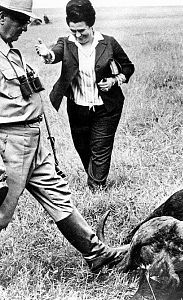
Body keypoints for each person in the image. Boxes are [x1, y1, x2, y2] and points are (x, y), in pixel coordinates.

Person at [0, 0, 127, 274]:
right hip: (8, 149)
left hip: (33, 143)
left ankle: (97, 254)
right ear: (1, 17)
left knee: (59, 198)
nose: (25, 26)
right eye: (20, 20)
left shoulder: (10, 53)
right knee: (1, 212)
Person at [35, 0, 135, 191]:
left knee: (100, 148)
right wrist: (47, 55)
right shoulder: (66, 43)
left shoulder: (109, 42)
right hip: (77, 108)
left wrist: (115, 80)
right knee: (83, 148)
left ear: (91, 25)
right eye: (74, 31)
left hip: (106, 107)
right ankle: (95, 177)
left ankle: (96, 189)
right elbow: (54, 54)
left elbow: (128, 67)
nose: (78, 35)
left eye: (82, 30)